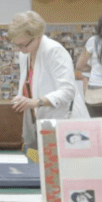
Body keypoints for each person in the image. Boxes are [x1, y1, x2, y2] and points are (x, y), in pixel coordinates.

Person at [8, 11, 76, 149]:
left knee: (53, 160)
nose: (19, 49)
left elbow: (68, 91)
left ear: (38, 37)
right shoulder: (25, 54)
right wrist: (21, 99)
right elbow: (29, 85)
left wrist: (36, 102)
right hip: (38, 122)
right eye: (16, 45)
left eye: (23, 44)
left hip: (61, 122)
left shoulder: (54, 51)